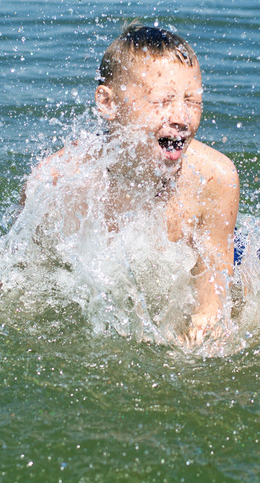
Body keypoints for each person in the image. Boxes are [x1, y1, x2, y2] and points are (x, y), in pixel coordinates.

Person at [21, 22, 239, 346]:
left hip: (235, 251)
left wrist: (194, 348)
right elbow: (24, 281)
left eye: (192, 101)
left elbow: (211, 306)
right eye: (163, 100)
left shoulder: (214, 179)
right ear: (108, 103)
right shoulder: (55, 183)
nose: (181, 117)